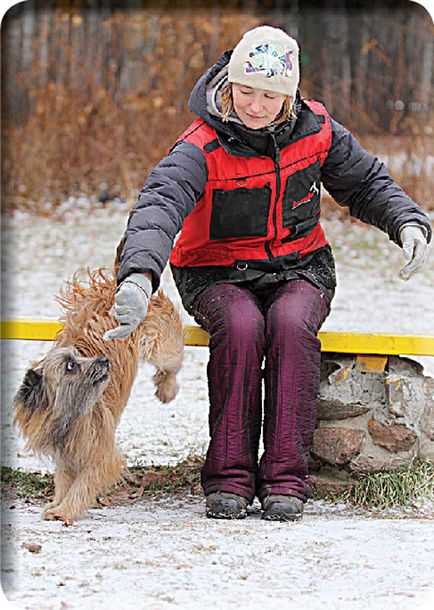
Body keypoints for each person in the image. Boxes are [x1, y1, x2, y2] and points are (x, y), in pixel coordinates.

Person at [104, 26, 431, 521]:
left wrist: (407, 221)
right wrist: (138, 276)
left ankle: (285, 480)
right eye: (247, 92)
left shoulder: (316, 128)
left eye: (270, 96)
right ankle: (230, 478)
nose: (256, 106)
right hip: (215, 273)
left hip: (300, 266)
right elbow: (160, 205)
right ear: (229, 86)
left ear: (290, 95)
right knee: (240, 326)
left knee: (289, 324)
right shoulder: (202, 144)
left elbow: (365, 182)